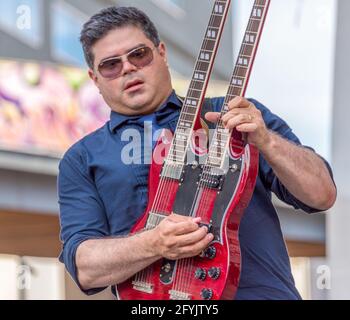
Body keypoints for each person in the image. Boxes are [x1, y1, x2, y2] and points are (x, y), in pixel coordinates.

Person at [58, 6, 337, 300]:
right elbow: (85, 268)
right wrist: (154, 243)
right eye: (111, 65)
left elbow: (321, 194)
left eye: (139, 54)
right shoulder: (81, 159)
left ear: (162, 53)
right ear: (94, 78)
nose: (128, 68)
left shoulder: (236, 115)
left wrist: (267, 140)